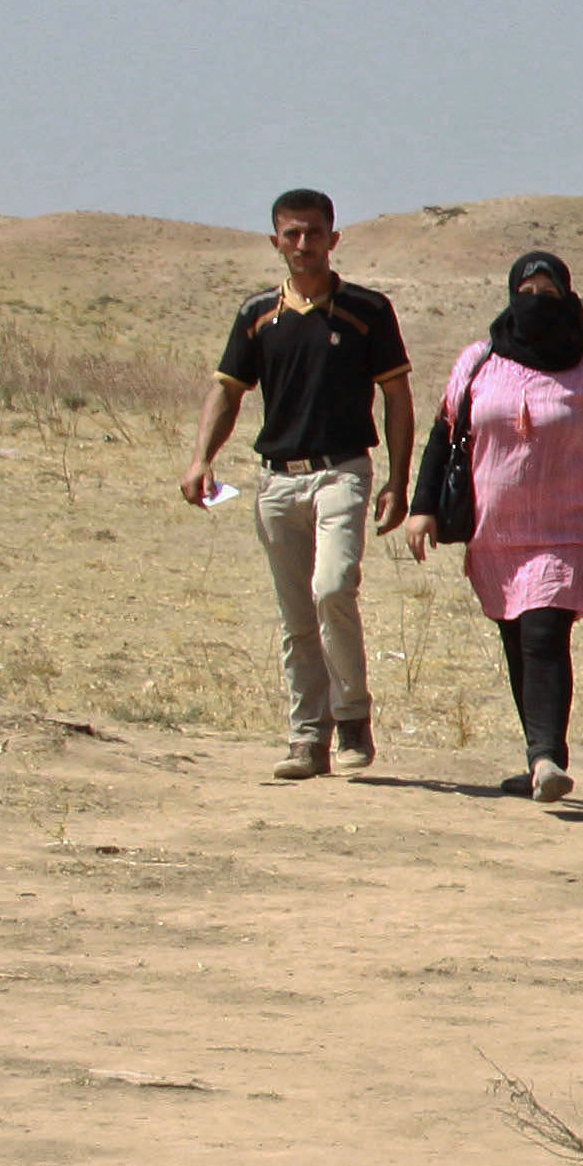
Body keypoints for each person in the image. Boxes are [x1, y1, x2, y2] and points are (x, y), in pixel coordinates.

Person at [405, 252, 583, 803]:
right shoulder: (479, 362)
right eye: (525, 292)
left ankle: (548, 756)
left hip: (562, 530)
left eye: (547, 295)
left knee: (545, 636)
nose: (535, 303)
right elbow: (443, 435)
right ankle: (537, 756)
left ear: (569, 303)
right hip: (495, 531)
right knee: (517, 641)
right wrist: (421, 506)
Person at [181, 189, 414, 782]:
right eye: (292, 234)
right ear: (275, 241)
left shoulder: (367, 310)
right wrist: (201, 458)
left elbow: (396, 395)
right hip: (277, 482)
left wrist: (398, 478)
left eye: (314, 234)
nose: (303, 245)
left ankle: (352, 715)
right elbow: (229, 389)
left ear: (334, 240)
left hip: (343, 471)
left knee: (332, 587)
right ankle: (307, 738)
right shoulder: (258, 314)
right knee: (295, 614)